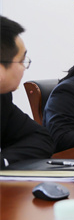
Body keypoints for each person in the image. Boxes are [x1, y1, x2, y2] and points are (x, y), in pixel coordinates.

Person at [0, 16, 54, 167]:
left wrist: (4, 161)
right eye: (21, 61)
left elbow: (41, 138)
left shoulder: (3, 98)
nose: (24, 68)